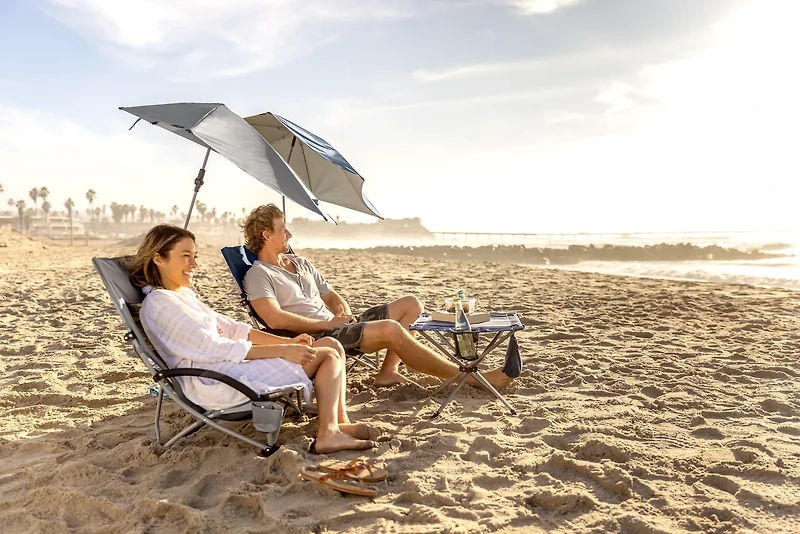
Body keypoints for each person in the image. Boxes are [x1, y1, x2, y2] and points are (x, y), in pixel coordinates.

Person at [126, 224, 378, 454]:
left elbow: (235, 329)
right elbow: (211, 347)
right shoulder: (159, 303)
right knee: (327, 354)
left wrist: (287, 344)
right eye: (185, 256)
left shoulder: (181, 296)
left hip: (227, 367)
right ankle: (328, 435)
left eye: (195, 257)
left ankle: (338, 422)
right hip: (215, 381)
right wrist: (280, 351)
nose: (194, 265)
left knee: (332, 344)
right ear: (158, 258)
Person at [241, 204, 514, 389]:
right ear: (266, 234)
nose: (289, 233)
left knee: (411, 305)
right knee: (390, 329)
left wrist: (342, 312)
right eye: (283, 229)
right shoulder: (258, 275)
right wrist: (328, 325)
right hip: (321, 337)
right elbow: (274, 320)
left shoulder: (300, 262)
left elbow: (332, 296)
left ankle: (387, 373)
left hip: (337, 325)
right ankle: (467, 379)